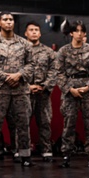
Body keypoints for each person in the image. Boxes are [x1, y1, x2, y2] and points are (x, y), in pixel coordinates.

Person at [0, 12, 33, 167]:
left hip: (20, 90)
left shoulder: (24, 44)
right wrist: (5, 77)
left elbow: (31, 65)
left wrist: (19, 75)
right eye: (5, 20)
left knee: (23, 124)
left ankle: (25, 156)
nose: (9, 22)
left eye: (11, 20)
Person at [56, 20, 89, 168]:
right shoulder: (63, 51)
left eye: (82, 31)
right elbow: (59, 74)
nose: (80, 34)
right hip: (70, 90)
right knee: (69, 124)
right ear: (71, 33)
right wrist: (70, 89)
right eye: (76, 31)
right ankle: (66, 154)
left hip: (88, 90)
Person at [25, 21, 58, 160]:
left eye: (36, 30)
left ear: (40, 33)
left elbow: (54, 71)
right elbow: (14, 70)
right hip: (24, 93)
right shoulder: (20, 51)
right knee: (22, 122)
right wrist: (27, 86)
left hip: (43, 93)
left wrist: (44, 86)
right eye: (31, 30)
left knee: (44, 122)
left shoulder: (49, 52)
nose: (33, 32)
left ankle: (46, 150)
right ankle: (22, 150)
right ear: (26, 33)